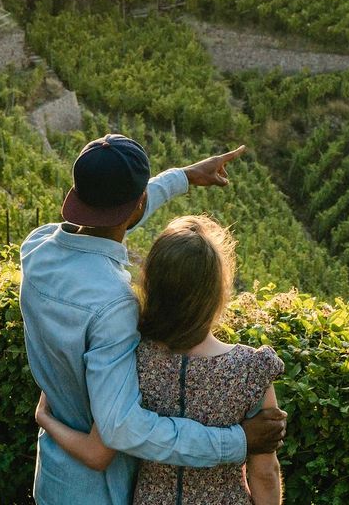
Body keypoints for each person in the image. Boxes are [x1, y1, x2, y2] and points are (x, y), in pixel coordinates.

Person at [20, 134, 287, 505]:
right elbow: (122, 428)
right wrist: (237, 441)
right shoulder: (114, 305)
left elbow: (106, 224)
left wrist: (183, 177)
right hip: (102, 493)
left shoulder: (36, 249)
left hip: (53, 476)